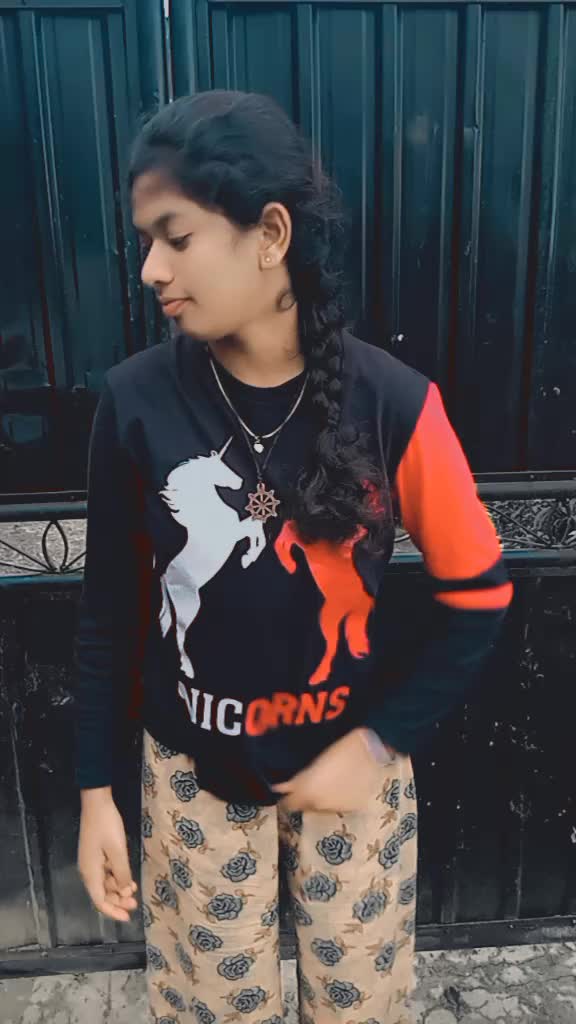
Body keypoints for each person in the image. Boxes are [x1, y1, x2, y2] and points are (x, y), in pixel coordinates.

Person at [75, 91, 513, 1024]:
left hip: (351, 787)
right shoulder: (136, 402)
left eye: (175, 237)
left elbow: (479, 595)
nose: (150, 268)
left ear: (270, 234)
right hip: (192, 785)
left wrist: (380, 741)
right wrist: (95, 793)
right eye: (145, 241)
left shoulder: (395, 404)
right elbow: (109, 612)